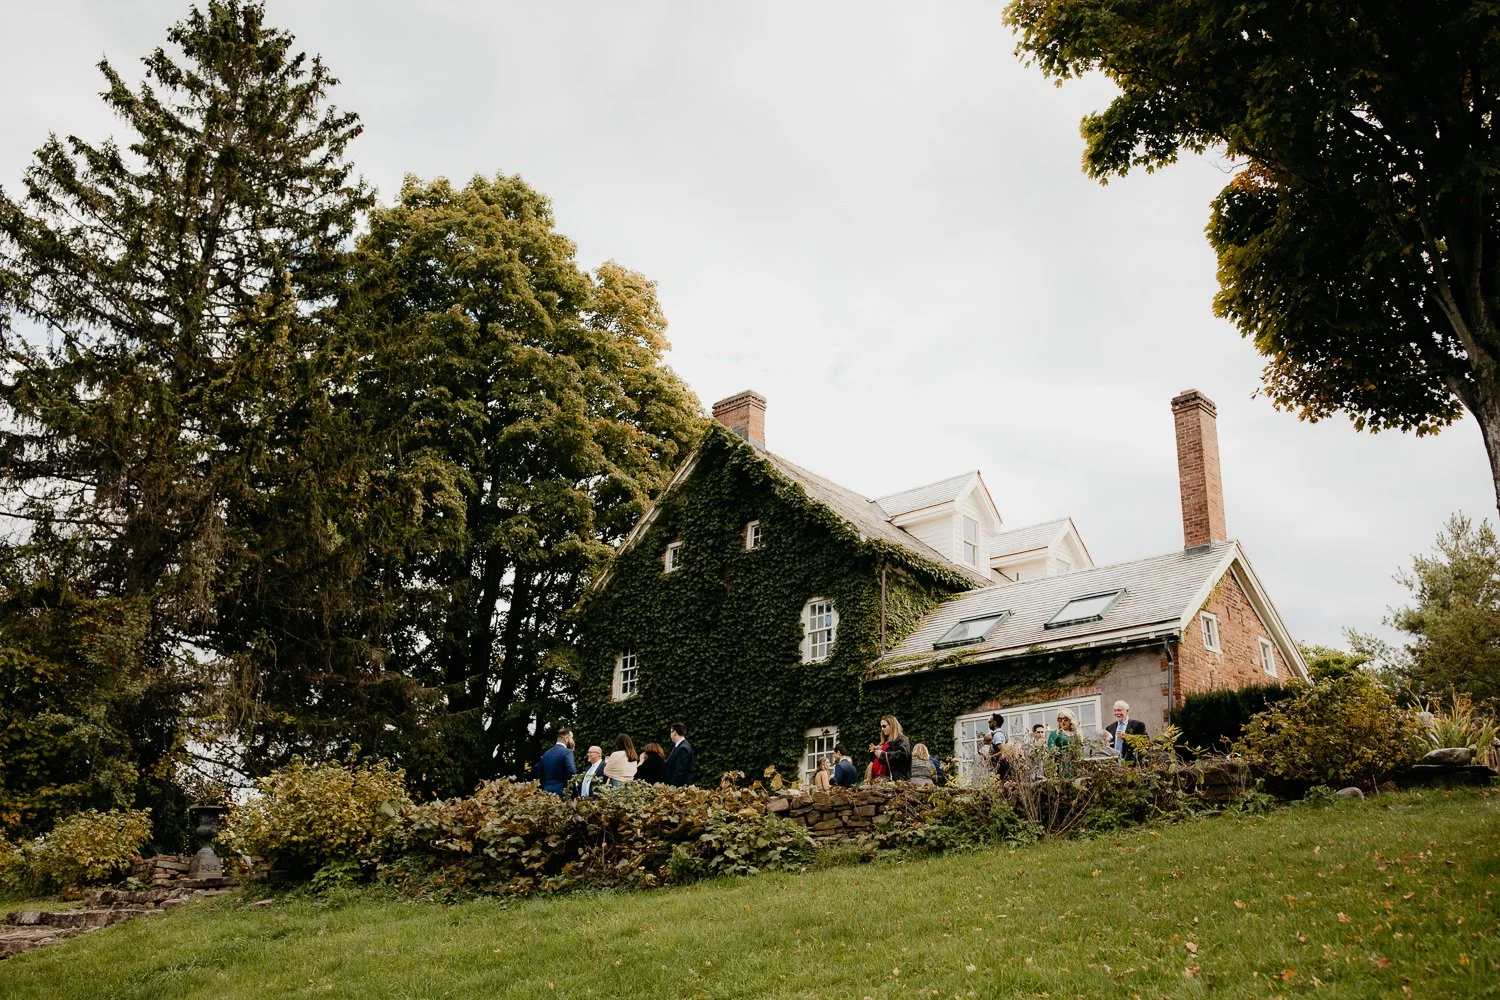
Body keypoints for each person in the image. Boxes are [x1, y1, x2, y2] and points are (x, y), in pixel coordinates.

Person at [868, 715, 911, 782]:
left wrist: (883, 755)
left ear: (892, 726)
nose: (882, 729)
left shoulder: (902, 739)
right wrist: (874, 752)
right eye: (881, 727)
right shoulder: (885, 740)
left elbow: (903, 755)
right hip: (881, 779)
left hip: (896, 780)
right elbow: (875, 760)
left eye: (884, 726)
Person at [536, 728, 576, 796]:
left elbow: (540, 773)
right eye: (571, 738)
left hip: (547, 792)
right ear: (566, 739)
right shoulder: (567, 752)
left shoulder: (546, 754)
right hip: (562, 792)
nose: (572, 741)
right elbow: (571, 771)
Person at [1046, 709, 1083, 778]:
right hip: (1060, 767)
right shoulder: (1055, 733)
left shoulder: (1076, 735)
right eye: (1060, 719)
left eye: (1065, 719)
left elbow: (1080, 751)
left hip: (1074, 766)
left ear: (1071, 720)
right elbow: (1050, 751)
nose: (1062, 722)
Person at [664, 722, 696, 787]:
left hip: (677, 788)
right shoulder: (679, 746)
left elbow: (680, 771)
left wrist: (672, 787)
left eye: (671, 732)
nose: (670, 734)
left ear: (675, 733)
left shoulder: (683, 748)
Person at [987, 713, 1012, 780]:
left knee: (999, 787)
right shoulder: (1001, 734)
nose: (988, 723)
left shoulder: (997, 735)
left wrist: (990, 757)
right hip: (1003, 765)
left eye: (990, 722)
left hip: (1001, 766)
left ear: (995, 723)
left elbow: (1003, 751)